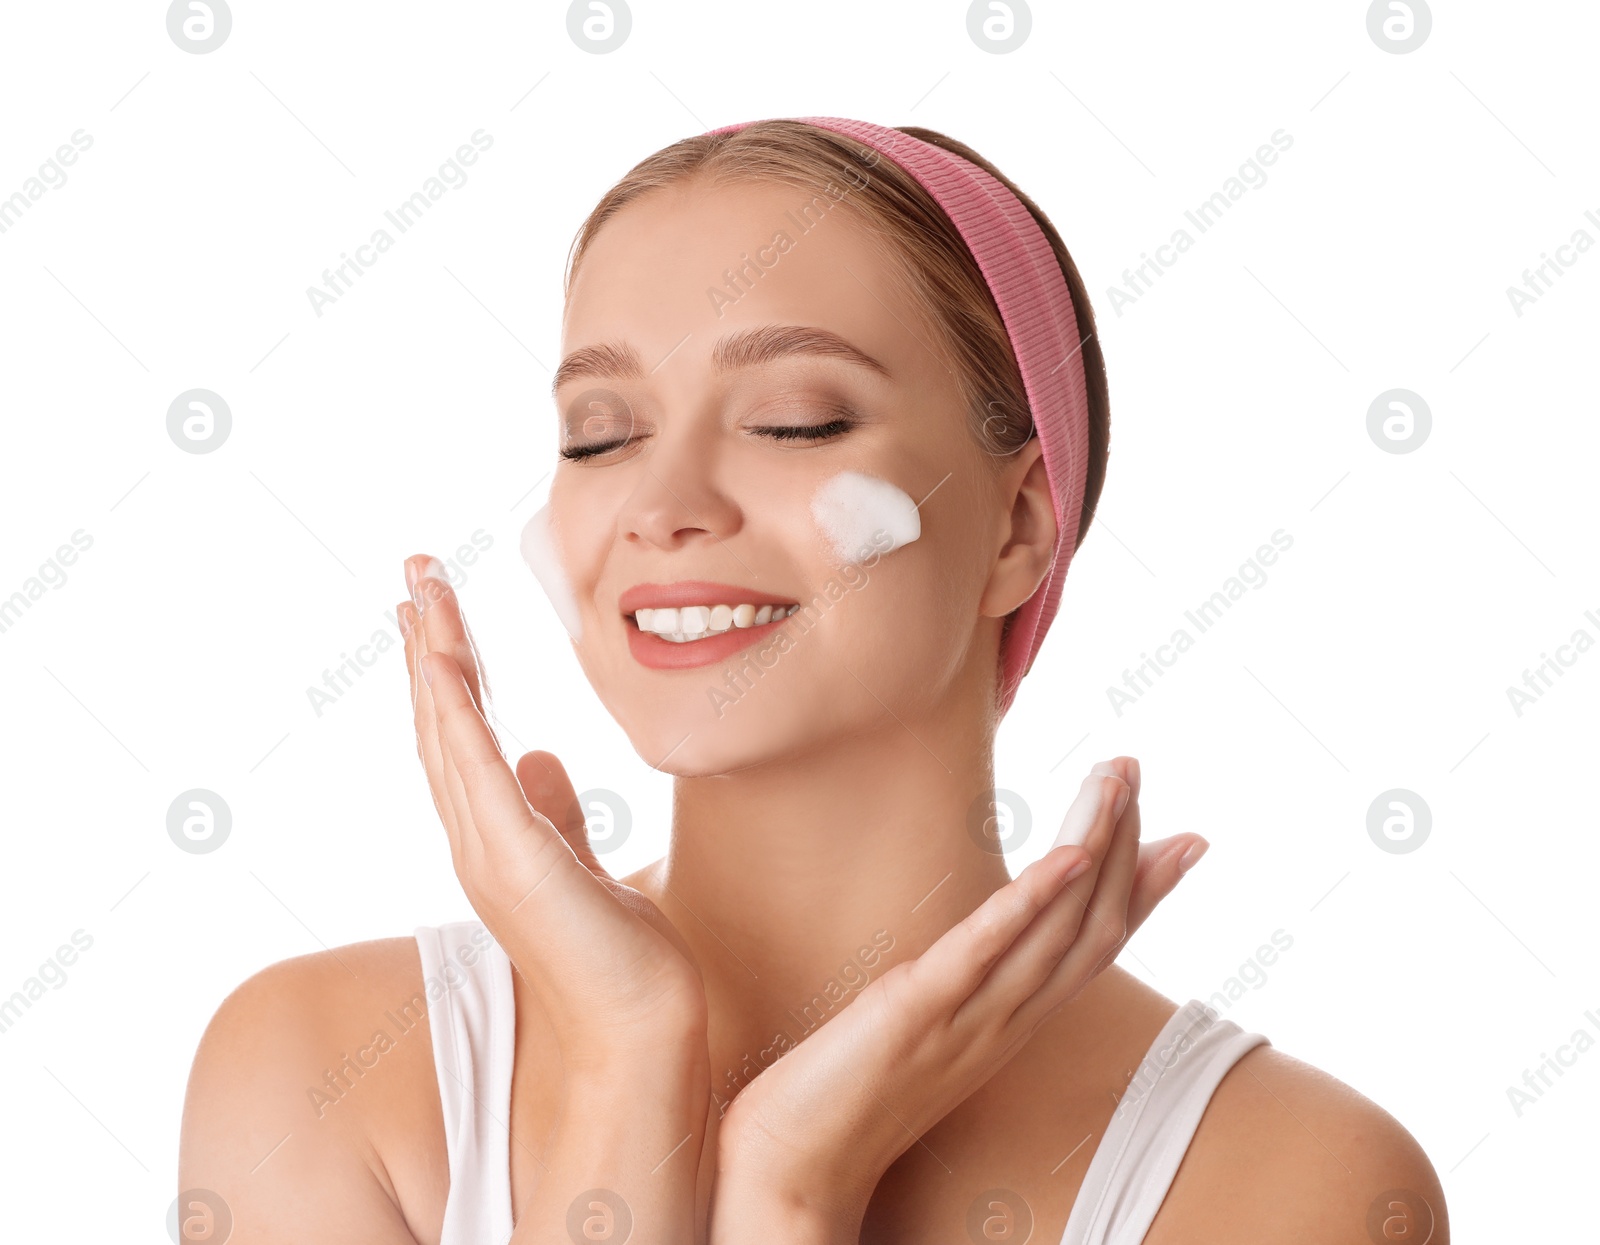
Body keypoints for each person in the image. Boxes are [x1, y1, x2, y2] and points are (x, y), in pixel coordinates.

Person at [179, 117, 1448, 1244]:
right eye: (599, 436)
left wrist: (795, 1181)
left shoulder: (1293, 1184)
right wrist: (632, 1069)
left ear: (1015, 530)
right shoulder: (317, 1078)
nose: (661, 507)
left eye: (793, 420)